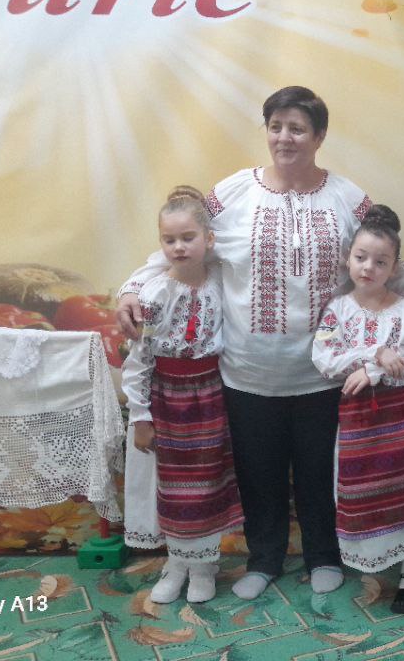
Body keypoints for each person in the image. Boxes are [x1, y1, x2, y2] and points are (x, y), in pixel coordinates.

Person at [116, 86, 404, 601]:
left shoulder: (347, 197)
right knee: (258, 474)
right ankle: (263, 559)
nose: (285, 137)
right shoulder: (231, 194)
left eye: (297, 128)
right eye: (276, 127)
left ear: (319, 136)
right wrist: (133, 287)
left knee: (318, 472)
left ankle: (322, 556)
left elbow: (382, 254)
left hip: (322, 373)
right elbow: (181, 245)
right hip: (246, 371)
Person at [310, 204, 404, 615]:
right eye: (361, 257)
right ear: (348, 258)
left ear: (394, 267)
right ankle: (401, 566)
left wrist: (374, 370)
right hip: (362, 421)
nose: (369, 267)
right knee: (373, 493)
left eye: (381, 261)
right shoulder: (337, 310)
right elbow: (324, 357)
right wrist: (375, 352)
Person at [121, 186, 244, 605]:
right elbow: (140, 358)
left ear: (208, 239)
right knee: (173, 486)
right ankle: (176, 564)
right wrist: (141, 416)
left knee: (207, 482)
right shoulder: (154, 294)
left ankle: (205, 567)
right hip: (167, 399)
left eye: (188, 237)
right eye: (169, 239)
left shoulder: (222, 282)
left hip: (210, 396)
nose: (178, 247)